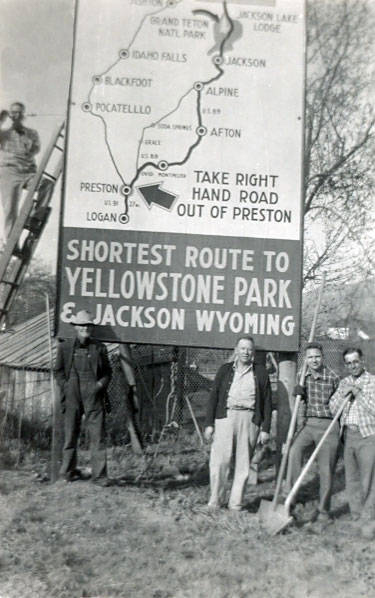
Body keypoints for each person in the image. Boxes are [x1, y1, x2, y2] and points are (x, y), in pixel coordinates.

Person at [204, 335, 272, 511]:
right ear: (236, 350)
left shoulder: (261, 372)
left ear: (253, 352)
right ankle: (215, 501)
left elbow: (267, 402)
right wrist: (209, 424)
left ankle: (235, 503)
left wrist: (265, 429)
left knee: (243, 464)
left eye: (249, 349)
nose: (246, 352)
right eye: (242, 348)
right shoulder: (225, 370)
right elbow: (213, 398)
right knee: (219, 461)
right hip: (225, 417)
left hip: (249, 419)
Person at [54, 309, 112, 486]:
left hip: (93, 394)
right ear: (75, 327)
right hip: (72, 393)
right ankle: (66, 473)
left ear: (91, 328)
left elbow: (108, 373)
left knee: (97, 436)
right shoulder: (64, 347)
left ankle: (100, 476)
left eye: (88, 325)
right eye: (82, 325)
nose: (85, 328)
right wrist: (65, 386)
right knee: (70, 434)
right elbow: (58, 371)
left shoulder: (99, 348)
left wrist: (99, 386)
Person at [285, 343, 340, 526]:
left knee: (325, 469)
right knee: (293, 452)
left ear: (322, 357)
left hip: (328, 424)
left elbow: (340, 405)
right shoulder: (302, 376)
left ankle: (324, 511)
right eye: (310, 357)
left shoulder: (332, 377)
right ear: (305, 359)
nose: (314, 360)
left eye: (317, 356)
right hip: (308, 424)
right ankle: (289, 501)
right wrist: (297, 393)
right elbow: (298, 402)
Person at [330, 347, 375, 531]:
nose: (352, 366)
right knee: (352, 479)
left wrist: (358, 394)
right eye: (348, 363)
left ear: (362, 361)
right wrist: (343, 394)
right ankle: (356, 515)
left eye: (355, 362)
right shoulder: (344, 383)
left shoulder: (372, 382)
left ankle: (369, 517)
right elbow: (333, 408)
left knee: (368, 479)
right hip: (348, 435)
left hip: (368, 436)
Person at [0, 102, 40, 241]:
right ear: (11, 116)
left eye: (19, 113)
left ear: (23, 115)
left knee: (46, 185)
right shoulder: (3, 134)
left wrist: (24, 138)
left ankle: (35, 217)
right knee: (10, 209)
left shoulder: (32, 133)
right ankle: (11, 243)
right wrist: (1, 119)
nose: (17, 115)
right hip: (9, 172)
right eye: (14, 113)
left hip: (27, 172)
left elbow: (34, 150)